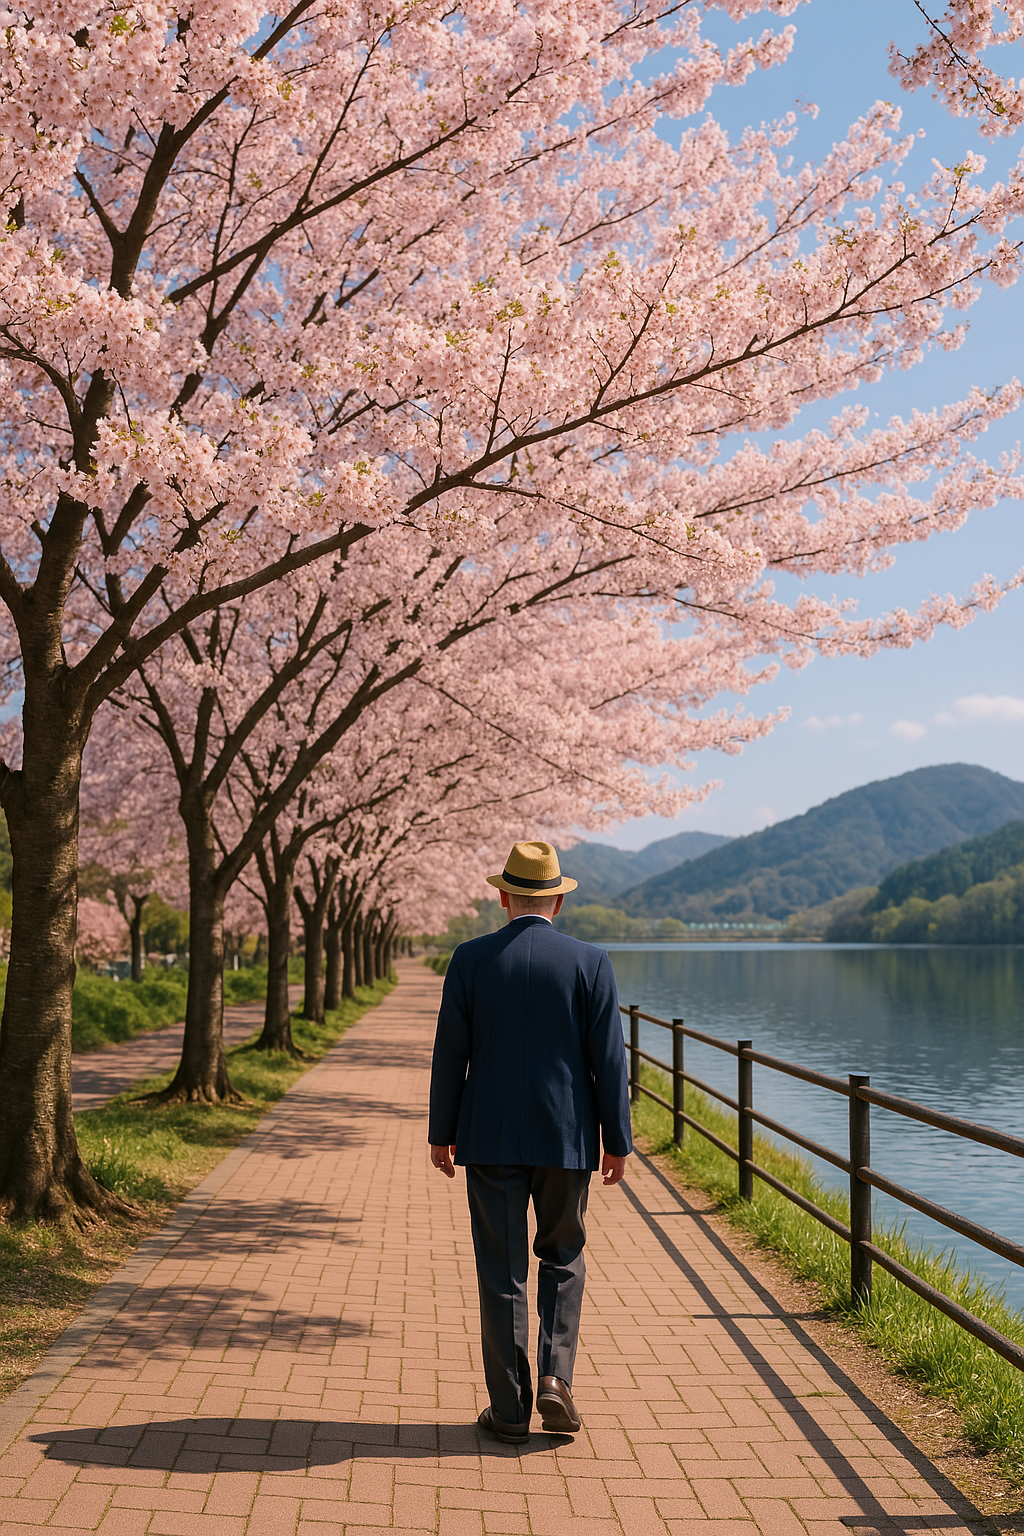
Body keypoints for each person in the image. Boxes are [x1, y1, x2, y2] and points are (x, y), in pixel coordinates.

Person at [428, 839, 632, 1444]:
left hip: (487, 1138)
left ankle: (511, 1409)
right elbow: (609, 1062)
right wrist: (616, 1140)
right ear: (558, 903)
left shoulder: (469, 959)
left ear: (503, 897)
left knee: (502, 1268)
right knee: (563, 1257)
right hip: (566, 1137)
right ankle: (556, 1380)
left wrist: (442, 1133)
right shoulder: (590, 963)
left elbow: (450, 1056)